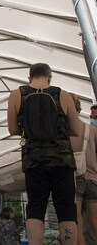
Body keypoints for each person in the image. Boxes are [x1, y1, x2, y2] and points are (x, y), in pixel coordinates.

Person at [7, 62, 82, 245]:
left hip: (33, 161)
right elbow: (76, 129)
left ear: (29, 77)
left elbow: (12, 129)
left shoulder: (17, 94)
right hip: (62, 161)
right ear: (49, 77)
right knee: (65, 209)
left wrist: (28, 131)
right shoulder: (63, 95)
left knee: (36, 207)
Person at [71, 95, 97, 245]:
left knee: (77, 219)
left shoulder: (64, 132)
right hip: (93, 179)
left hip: (74, 179)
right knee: (95, 219)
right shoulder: (92, 130)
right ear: (80, 110)